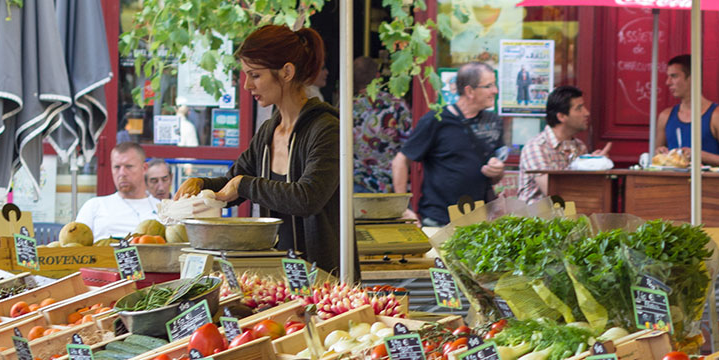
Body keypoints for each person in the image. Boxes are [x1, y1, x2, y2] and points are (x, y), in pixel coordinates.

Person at [176, 25, 344, 271]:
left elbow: (308, 198)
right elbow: (232, 184)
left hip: (323, 280)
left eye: (255, 75)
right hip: (275, 273)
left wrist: (243, 184)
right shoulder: (268, 132)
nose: (246, 86)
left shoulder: (326, 128)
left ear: (286, 71)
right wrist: (201, 184)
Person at [392, 61, 505, 226]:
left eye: (494, 85)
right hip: (439, 221)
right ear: (469, 91)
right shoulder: (436, 120)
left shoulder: (494, 121)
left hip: (479, 223)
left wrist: (497, 171)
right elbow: (400, 161)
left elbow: (495, 177)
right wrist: (402, 208)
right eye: (489, 86)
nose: (495, 91)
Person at [518, 85, 610, 202]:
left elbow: (586, 190)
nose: (586, 113)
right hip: (538, 218)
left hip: (569, 216)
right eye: (579, 108)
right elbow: (554, 194)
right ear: (561, 116)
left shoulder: (579, 147)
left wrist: (594, 165)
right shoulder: (537, 147)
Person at [656, 54, 719, 166]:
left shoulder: (718, 115)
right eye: (668, 76)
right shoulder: (665, 116)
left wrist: (698, 155)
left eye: (674, 76)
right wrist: (660, 153)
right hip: (670, 183)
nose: (668, 82)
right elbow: (655, 156)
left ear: (692, 78)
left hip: (707, 182)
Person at [74, 142, 158, 239]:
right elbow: (75, 246)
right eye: (117, 167)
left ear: (144, 168)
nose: (122, 173)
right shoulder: (94, 206)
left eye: (129, 166)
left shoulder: (161, 210)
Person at [352, 56, 411, 194]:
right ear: (377, 77)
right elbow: (410, 144)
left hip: (355, 183)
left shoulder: (344, 108)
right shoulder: (396, 105)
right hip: (390, 184)